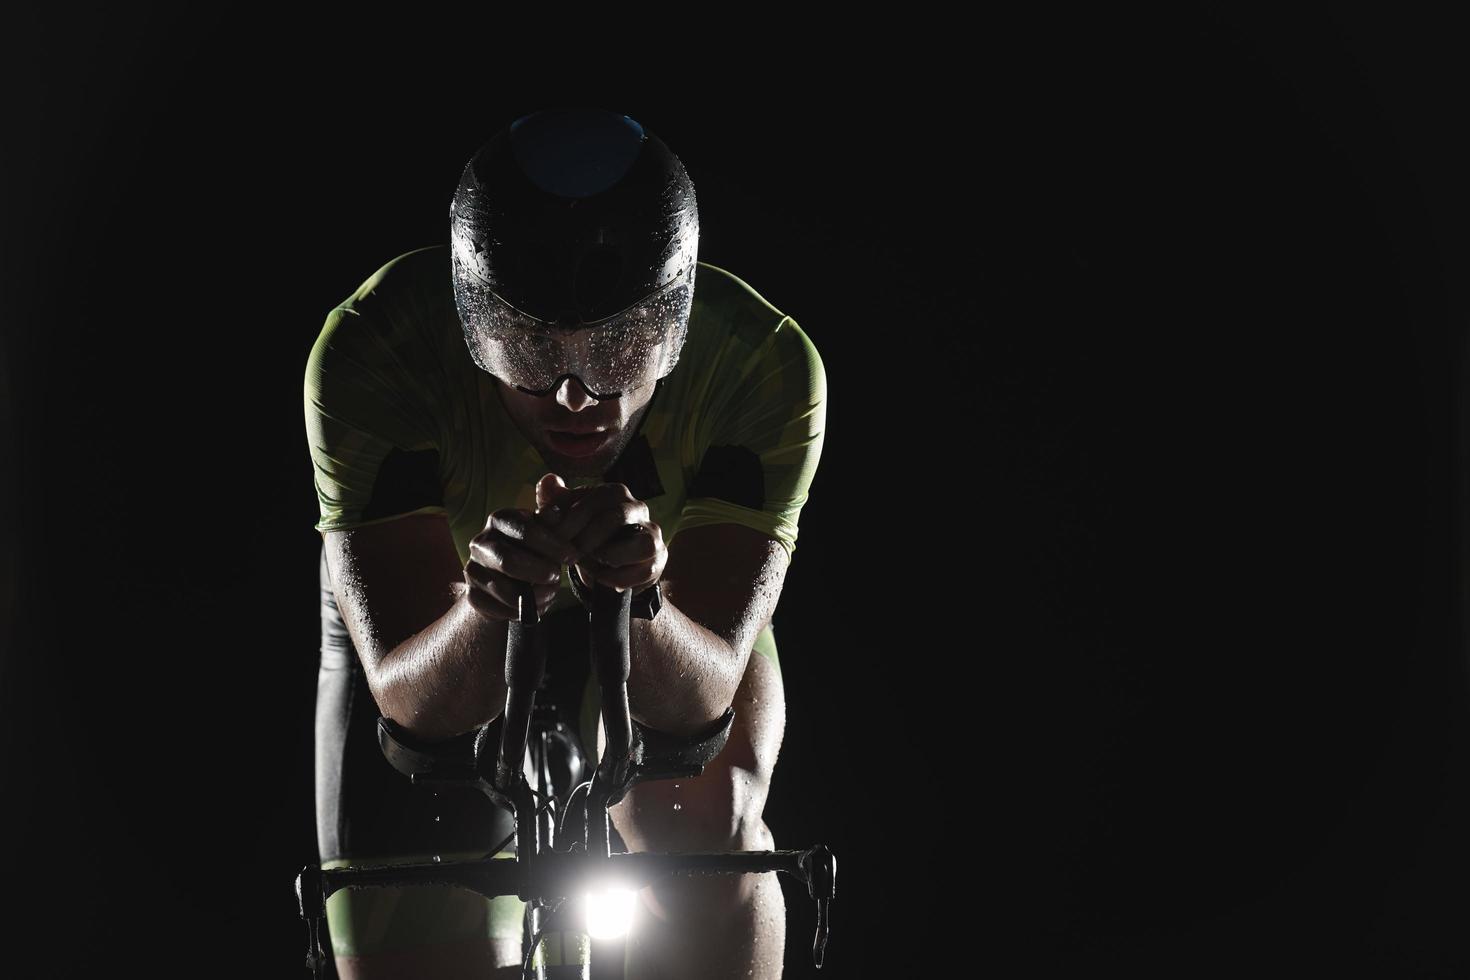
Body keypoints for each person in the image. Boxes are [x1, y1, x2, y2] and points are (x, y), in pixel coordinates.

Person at [304, 106, 827, 979]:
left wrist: (647, 598)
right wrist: (484, 608)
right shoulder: (374, 345)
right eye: (527, 347)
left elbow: (698, 705)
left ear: (677, 323)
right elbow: (415, 710)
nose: (576, 396)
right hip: (444, 614)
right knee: (414, 890)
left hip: (668, 590)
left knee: (707, 827)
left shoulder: (765, 365)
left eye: (620, 347)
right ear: (472, 324)